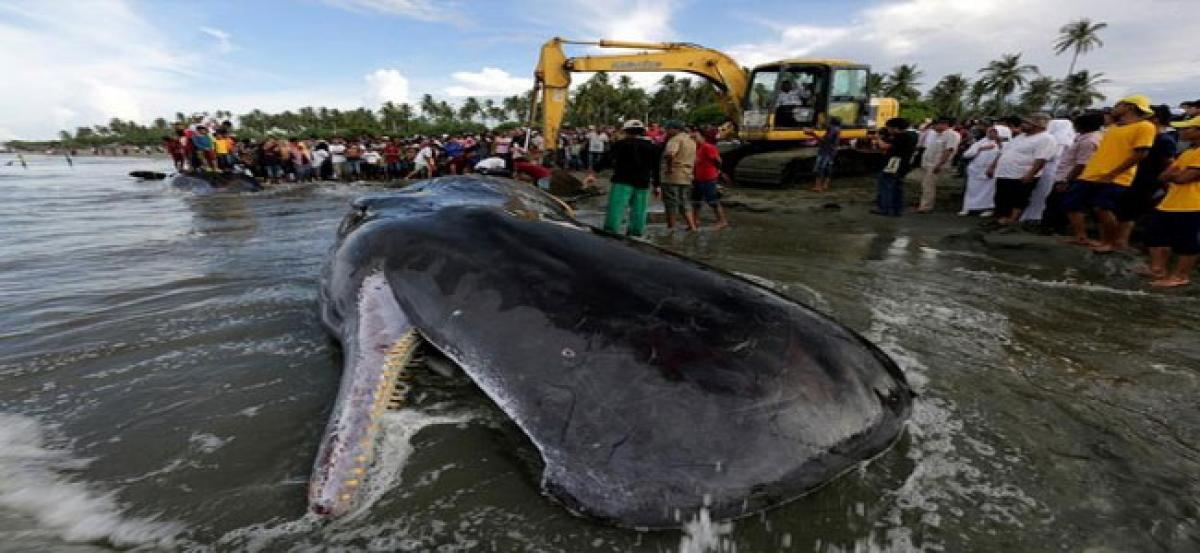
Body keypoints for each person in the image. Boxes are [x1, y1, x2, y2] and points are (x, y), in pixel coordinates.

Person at [1064, 95, 1157, 250]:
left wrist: (1113, 173)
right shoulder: (1114, 127)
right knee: (1072, 203)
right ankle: (1080, 237)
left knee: (1102, 207)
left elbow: (1140, 154)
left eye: (1118, 105)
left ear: (1129, 107)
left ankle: (1110, 242)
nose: (1115, 108)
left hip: (1116, 176)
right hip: (1092, 172)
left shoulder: (1145, 126)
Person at [1140, 115, 1200, 287]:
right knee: (1154, 236)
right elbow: (1164, 175)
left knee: (1187, 243)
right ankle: (1157, 268)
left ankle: (1181, 276)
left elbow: (1184, 178)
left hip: (1193, 204)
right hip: (1171, 202)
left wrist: (1175, 175)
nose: (1182, 131)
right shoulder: (1188, 152)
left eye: (1188, 128)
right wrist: (1176, 175)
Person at [1113, 105, 1179, 250]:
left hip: (1146, 182)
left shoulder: (1164, 140)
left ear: (1155, 119)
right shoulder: (1143, 135)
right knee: (1121, 210)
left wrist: (1165, 183)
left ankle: (1122, 242)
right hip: (1131, 177)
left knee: (1129, 213)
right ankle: (1117, 240)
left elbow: (1170, 164)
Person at [987, 113, 1058, 228]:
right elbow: (1005, 151)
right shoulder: (1021, 136)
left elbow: (1041, 159)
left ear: (1037, 125)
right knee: (1001, 196)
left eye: (1026, 123)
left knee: (1018, 199)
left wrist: (1030, 175)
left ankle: (1012, 221)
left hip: (1021, 174)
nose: (1022, 125)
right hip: (1005, 173)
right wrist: (993, 166)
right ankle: (1000, 218)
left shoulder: (1046, 139)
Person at [1042, 112, 1105, 234]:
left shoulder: (1089, 141)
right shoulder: (1085, 137)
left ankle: (1055, 229)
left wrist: (1067, 180)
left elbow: (1082, 164)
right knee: (1055, 202)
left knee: (1057, 204)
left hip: (1069, 177)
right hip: (1067, 175)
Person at [594, 120, 658, 237]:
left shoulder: (620, 144)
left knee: (616, 208)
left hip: (622, 181)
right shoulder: (652, 147)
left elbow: (606, 159)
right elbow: (656, 168)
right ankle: (635, 234)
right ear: (642, 131)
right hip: (642, 183)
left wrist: (593, 173)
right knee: (639, 211)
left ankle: (610, 233)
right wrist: (657, 186)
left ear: (626, 131)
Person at [1021, 115, 1077, 224]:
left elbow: (1052, 156)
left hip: (1051, 169)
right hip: (1053, 169)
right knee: (1039, 193)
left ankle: (1035, 216)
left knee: (1041, 193)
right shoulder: (1067, 139)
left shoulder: (1060, 140)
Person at [958, 125, 1011, 216]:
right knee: (972, 190)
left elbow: (1004, 156)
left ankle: (988, 208)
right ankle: (969, 207)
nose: (991, 133)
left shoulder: (1006, 144)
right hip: (976, 170)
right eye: (990, 131)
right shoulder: (982, 142)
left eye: (994, 132)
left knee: (989, 192)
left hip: (991, 171)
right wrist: (981, 148)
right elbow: (966, 154)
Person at [872, 117, 917, 216]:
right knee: (897, 188)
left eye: (889, 128)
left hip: (893, 165)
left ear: (895, 128)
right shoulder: (913, 135)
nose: (888, 130)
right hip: (904, 165)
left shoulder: (900, 136)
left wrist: (878, 139)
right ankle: (897, 209)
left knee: (887, 187)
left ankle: (886, 209)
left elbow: (885, 146)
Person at [916, 117, 962, 212]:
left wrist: (940, 164)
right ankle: (924, 205)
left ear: (944, 124)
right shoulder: (937, 135)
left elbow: (949, 150)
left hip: (937, 164)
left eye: (936, 124)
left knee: (929, 185)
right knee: (926, 185)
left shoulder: (952, 135)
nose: (934, 127)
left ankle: (926, 207)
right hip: (929, 163)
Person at [660, 120, 697, 230]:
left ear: (674, 129)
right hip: (687, 175)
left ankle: (671, 227)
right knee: (685, 202)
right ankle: (692, 226)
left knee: (671, 203)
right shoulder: (691, 140)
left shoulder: (675, 139)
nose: (666, 131)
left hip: (673, 176)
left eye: (668, 129)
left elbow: (670, 154)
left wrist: (669, 168)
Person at [690, 129, 728, 229]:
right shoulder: (697, 148)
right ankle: (695, 220)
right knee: (695, 201)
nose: (693, 139)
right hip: (698, 178)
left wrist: (719, 171)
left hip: (709, 178)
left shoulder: (707, 147)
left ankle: (722, 221)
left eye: (695, 137)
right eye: (692, 137)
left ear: (702, 137)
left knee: (713, 201)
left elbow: (718, 160)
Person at [808, 116, 841, 192]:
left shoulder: (832, 129)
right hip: (831, 151)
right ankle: (825, 185)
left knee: (820, 168)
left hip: (826, 151)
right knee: (828, 168)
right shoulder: (836, 129)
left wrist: (813, 134)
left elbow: (825, 141)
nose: (827, 122)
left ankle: (818, 186)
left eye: (828, 121)